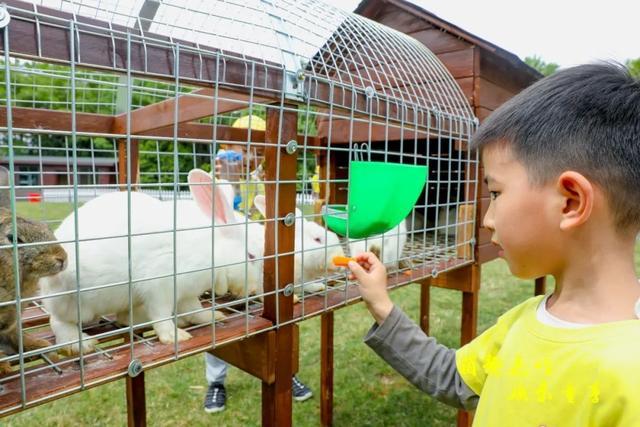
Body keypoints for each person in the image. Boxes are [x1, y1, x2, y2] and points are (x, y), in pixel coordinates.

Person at [347, 62, 640, 425]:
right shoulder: (522, 321)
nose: (487, 218)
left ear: (570, 202)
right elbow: (453, 377)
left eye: (496, 192)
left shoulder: (632, 375)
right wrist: (381, 304)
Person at [204, 147, 313, 414]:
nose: (248, 157)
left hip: (263, 262)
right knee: (218, 322)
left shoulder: (264, 177)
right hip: (230, 267)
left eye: (254, 151)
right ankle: (216, 383)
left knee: (278, 318)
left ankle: (285, 371)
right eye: (239, 152)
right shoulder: (222, 180)